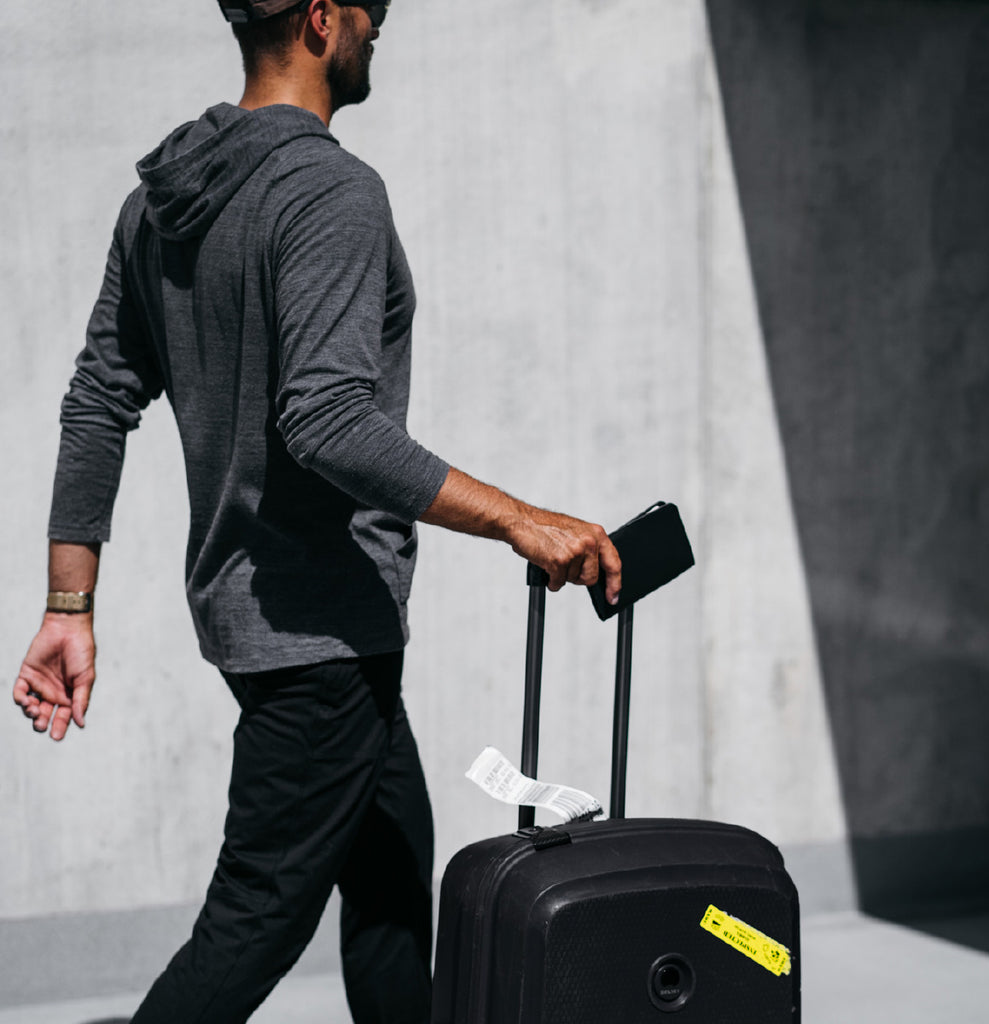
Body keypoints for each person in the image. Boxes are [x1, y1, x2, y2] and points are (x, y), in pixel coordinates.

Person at [12, 1, 621, 1022]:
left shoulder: (165, 198)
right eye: (372, 13)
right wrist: (519, 517)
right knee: (252, 922)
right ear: (322, 19)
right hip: (317, 640)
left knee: (389, 884)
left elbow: (96, 402)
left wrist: (68, 605)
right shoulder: (329, 192)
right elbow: (328, 419)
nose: (382, 28)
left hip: (291, 629)